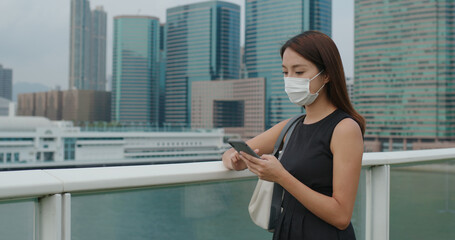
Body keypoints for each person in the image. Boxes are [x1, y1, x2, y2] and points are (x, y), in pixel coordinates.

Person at [222, 30, 365, 240]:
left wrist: (280, 176)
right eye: (285, 72)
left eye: (298, 72)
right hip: (287, 230)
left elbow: (341, 215)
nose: (290, 80)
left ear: (326, 75)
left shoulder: (344, 128)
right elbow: (233, 152)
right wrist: (234, 160)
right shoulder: (291, 126)